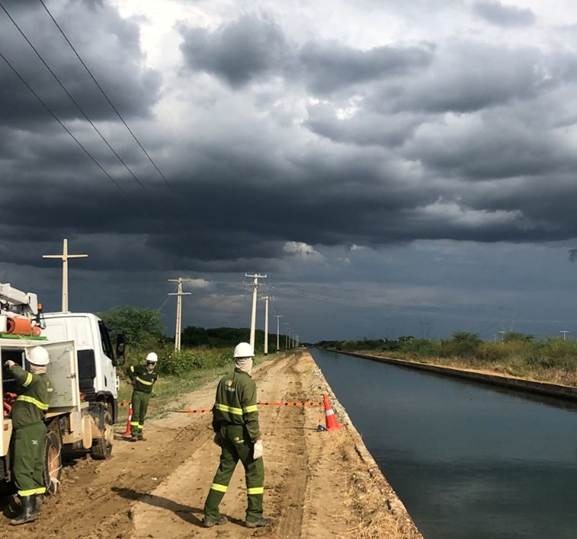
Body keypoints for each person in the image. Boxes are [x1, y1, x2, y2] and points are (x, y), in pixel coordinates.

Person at [203, 342, 268, 529]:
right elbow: (251, 415)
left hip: (225, 433)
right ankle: (254, 516)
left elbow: (215, 410)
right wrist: (256, 439)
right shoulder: (247, 383)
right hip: (242, 435)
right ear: (248, 361)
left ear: (235, 360)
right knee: (255, 472)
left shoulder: (223, 381)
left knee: (224, 472)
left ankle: (210, 514)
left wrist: (218, 432)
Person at [5, 346, 53, 525]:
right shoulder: (45, 381)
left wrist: (11, 364)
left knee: (22, 468)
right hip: (36, 427)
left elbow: (21, 376)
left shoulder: (36, 380)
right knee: (35, 466)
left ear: (32, 363)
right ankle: (35, 506)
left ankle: (27, 512)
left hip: (28, 430)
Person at [127, 352, 158, 441]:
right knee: (136, 413)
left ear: (155, 363)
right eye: (149, 362)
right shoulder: (140, 368)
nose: (150, 365)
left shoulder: (155, 373)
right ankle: (134, 434)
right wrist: (133, 379)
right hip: (138, 393)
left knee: (142, 414)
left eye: (152, 363)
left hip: (147, 395)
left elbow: (152, 382)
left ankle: (140, 432)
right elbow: (129, 369)